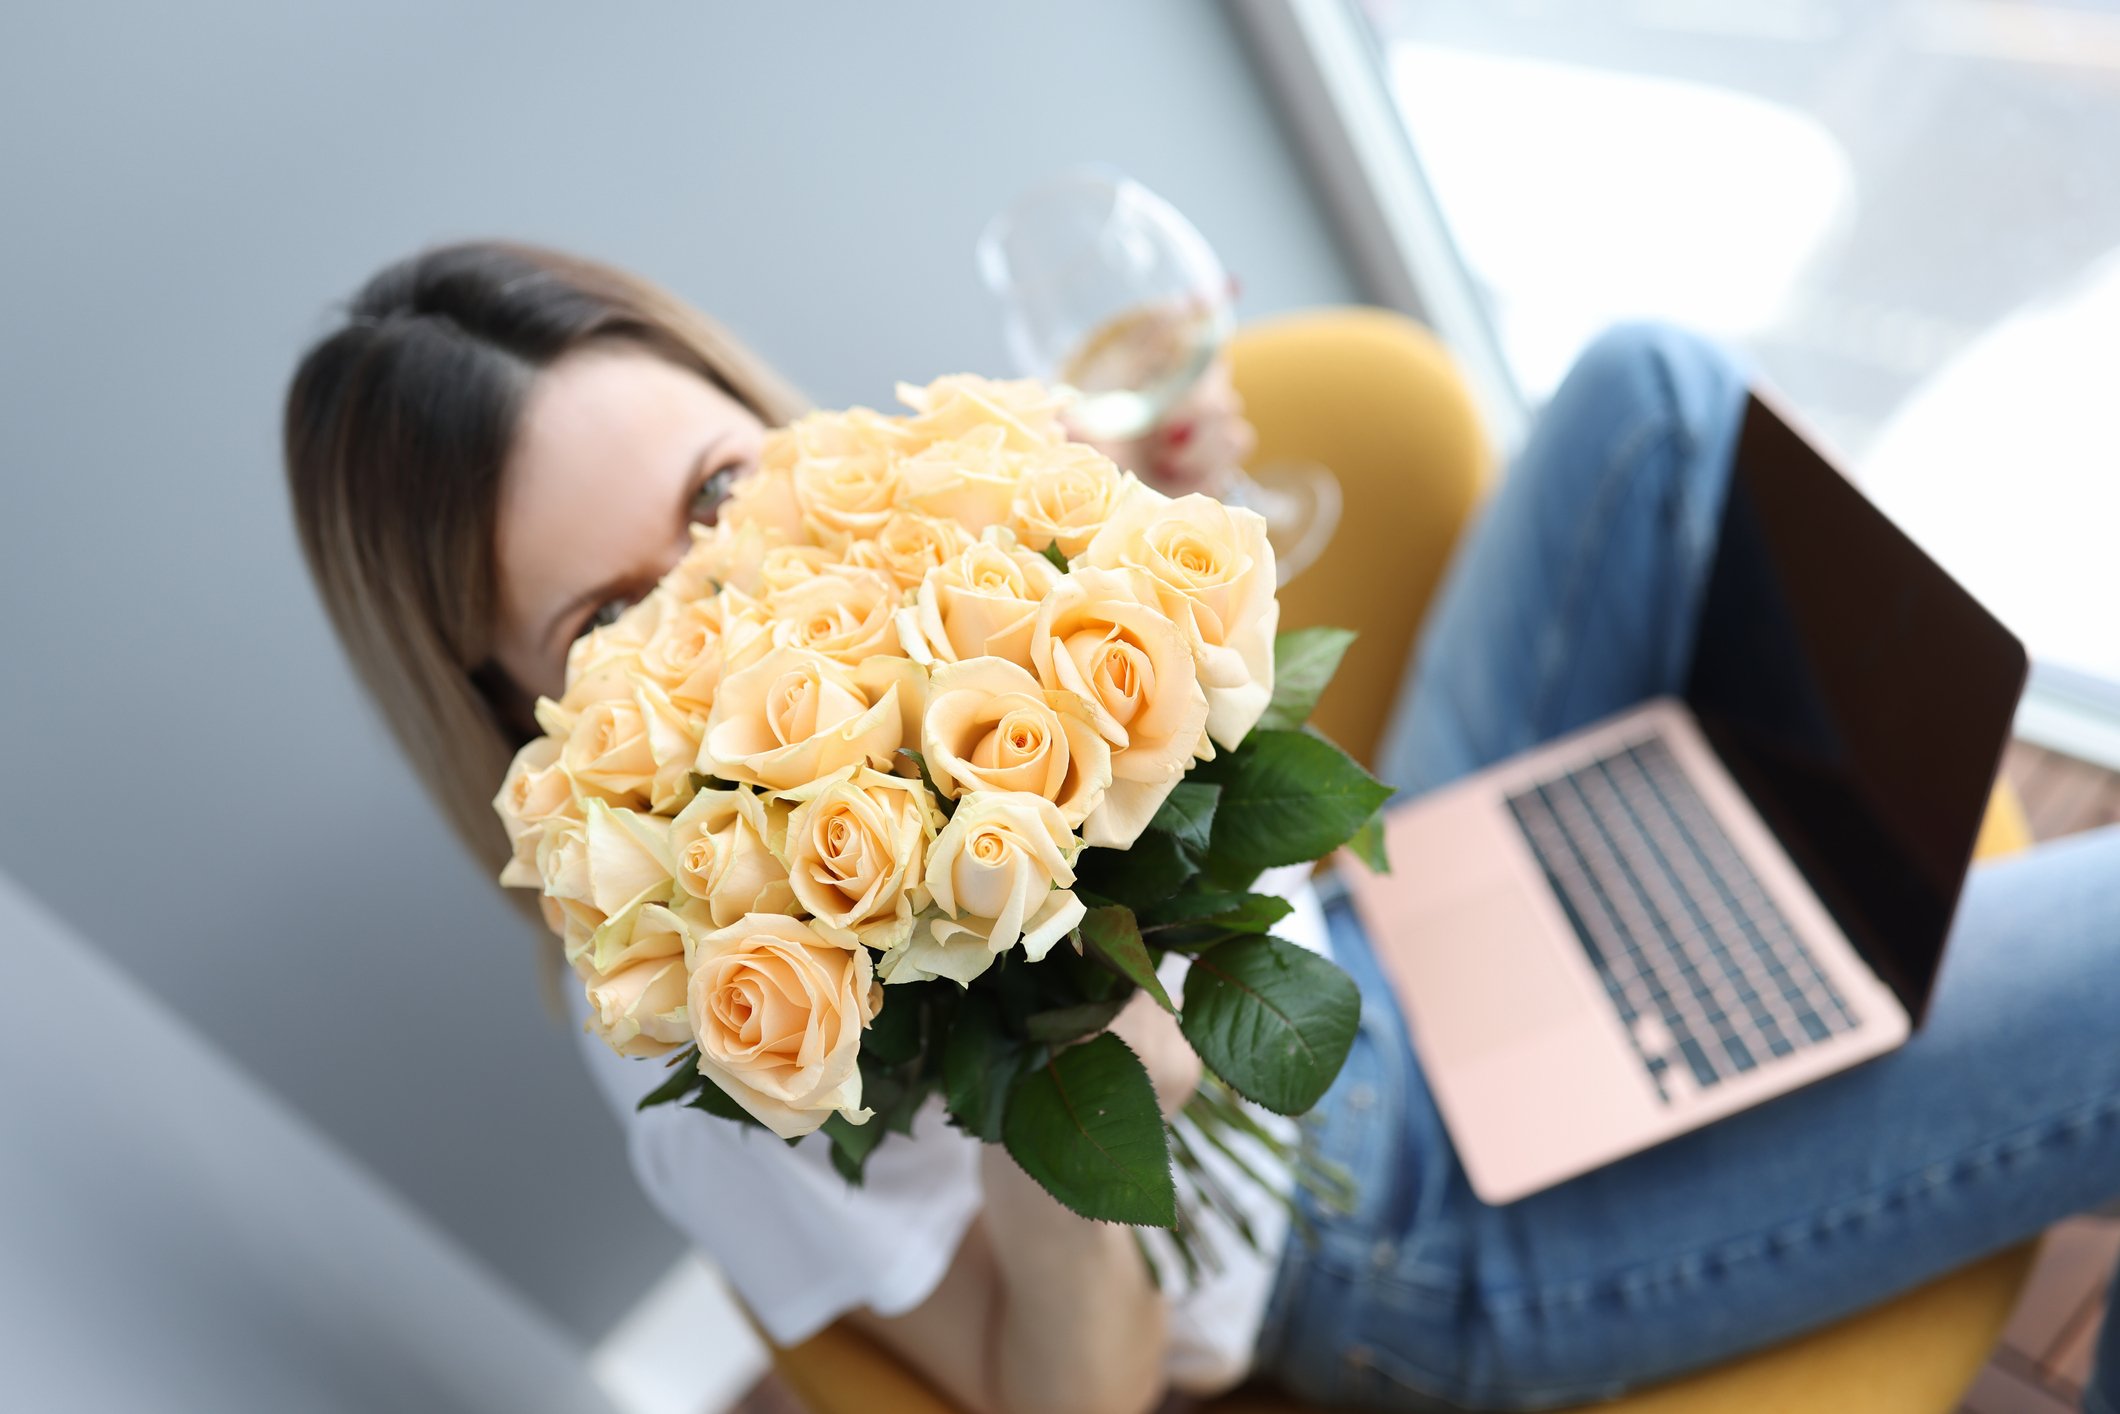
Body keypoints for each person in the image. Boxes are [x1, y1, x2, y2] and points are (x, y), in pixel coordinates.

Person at [283, 240, 2120, 1414]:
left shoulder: (930, 578)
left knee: (1648, 389)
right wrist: (1055, 1138)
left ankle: (1724, 891)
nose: (728, 600)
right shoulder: (690, 1002)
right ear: (520, 714)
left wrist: (1178, 556)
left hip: (1375, 958)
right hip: (1391, 1240)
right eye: (609, 621)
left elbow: (1227, 782)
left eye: (723, 489)